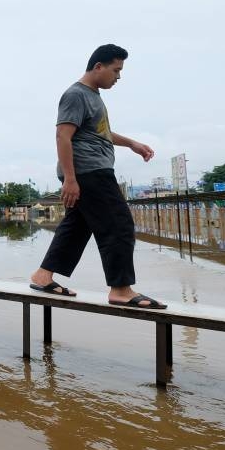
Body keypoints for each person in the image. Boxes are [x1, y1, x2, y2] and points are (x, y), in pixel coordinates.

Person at [29, 44, 167, 309]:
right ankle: (121, 289)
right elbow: (63, 136)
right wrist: (70, 179)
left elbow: (101, 133)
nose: (118, 77)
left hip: (90, 170)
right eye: (116, 70)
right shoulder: (76, 94)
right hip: (89, 171)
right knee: (119, 224)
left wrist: (132, 144)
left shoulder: (94, 97)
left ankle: (43, 275)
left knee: (77, 226)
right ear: (98, 67)